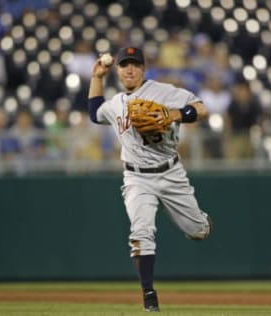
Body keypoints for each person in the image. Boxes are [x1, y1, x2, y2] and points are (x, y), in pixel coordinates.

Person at [87, 46, 212, 312]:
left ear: (144, 69)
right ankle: (149, 297)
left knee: (198, 231)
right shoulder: (116, 103)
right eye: (124, 65)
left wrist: (174, 114)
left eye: (135, 64)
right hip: (136, 177)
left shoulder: (163, 91)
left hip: (170, 173)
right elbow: (95, 112)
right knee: (141, 233)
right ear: (118, 70)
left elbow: (202, 109)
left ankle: (202, 221)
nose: (130, 69)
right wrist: (96, 77)